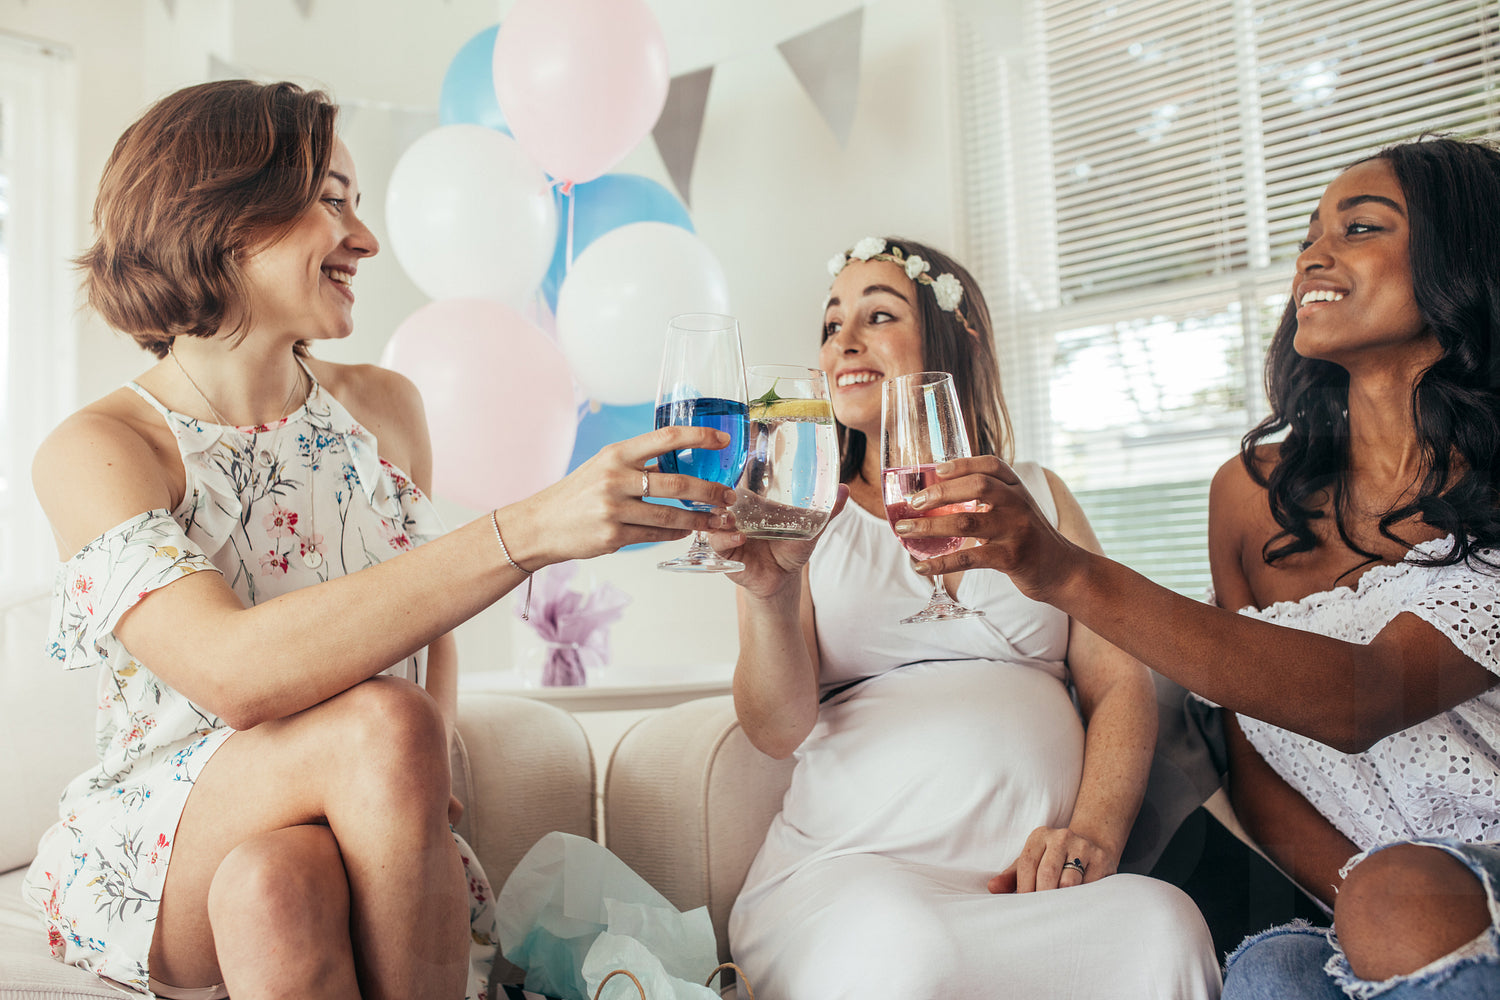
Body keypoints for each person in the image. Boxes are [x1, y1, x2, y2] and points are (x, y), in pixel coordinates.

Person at [23, 79, 735, 1000]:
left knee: (277, 889)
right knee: (381, 724)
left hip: (344, 813)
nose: (364, 239)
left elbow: (426, 622)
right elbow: (233, 674)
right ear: (226, 219)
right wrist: (530, 530)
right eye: (333, 202)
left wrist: (423, 760)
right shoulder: (102, 448)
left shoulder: (384, 410)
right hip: (169, 834)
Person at [893, 137, 1500, 998]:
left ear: (1462, 259)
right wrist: (1360, 901)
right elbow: (1255, 760)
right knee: (1266, 968)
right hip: (1365, 896)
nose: (1312, 256)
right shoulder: (1252, 496)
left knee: (1393, 902)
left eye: (1360, 228)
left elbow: (1362, 697)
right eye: (1308, 235)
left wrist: (1064, 570)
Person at [708, 236, 1222, 999]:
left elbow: (1119, 682)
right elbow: (776, 729)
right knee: (907, 948)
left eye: (878, 315)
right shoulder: (796, 512)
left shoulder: (1039, 496)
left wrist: (1093, 833)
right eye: (831, 324)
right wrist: (768, 593)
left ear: (954, 340)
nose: (844, 341)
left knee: (1164, 926)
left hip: (1030, 888)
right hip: (858, 872)